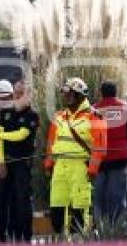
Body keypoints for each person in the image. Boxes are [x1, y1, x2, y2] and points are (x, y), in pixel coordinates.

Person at [44, 77, 106, 236]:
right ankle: (61, 245)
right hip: (59, 167)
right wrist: (49, 163)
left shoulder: (94, 117)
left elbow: (100, 147)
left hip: (80, 167)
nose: (65, 97)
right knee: (56, 208)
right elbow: (52, 141)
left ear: (79, 96)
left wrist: (92, 170)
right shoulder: (58, 116)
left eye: (69, 94)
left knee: (80, 208)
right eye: (64, 94)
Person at [0, 80, 39, 243]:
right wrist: (2, 162)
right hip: (6, 163)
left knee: (22, 200)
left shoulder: (31, 115)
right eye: (16, 94)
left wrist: (1, 135)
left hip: (22, 163)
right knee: (1, 200)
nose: (17, 97)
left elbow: (22, 134)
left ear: (29, 96)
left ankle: (25, 236)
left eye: (21, 94)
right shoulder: (5, 113)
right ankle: (1, 235)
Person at [93, 81, 127, 224]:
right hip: (120, 156)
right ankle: (118, 229)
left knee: (99, 195)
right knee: (118, 196)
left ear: (101, 92)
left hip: (100, 158)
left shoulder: (94, 109)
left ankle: (99, 228)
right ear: (116, 92)